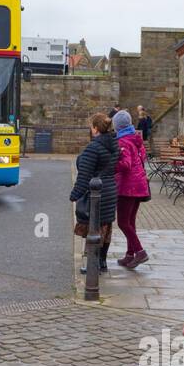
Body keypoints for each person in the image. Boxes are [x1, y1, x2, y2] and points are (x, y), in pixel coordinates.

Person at [70, 112, 118, 274]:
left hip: (97, 192)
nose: (90, 130)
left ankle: (93, 264)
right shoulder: (114, 144)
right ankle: (102, 262)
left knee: (94, 228)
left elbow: (84, 175)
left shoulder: (93, 147)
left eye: (91, 127)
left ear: (96, 129)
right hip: (110, 189)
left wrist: (75, 194)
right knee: (106, 227)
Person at [112, 109, 151, 269]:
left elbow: (126, 164)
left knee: (122, 222)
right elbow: (143, 157)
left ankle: (140, 252)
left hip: (127, 187)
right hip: (139, 185)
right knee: (130, 222)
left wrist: (111, 165)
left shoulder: (123, 142)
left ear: (117, 126)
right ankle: (130, 255)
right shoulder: (136, 139)